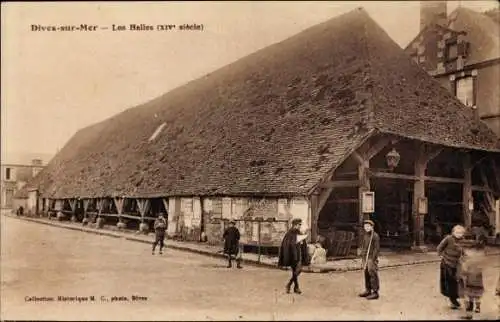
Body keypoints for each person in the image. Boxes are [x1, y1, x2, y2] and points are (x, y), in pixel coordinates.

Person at [278, 218, 310, 294]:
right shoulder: (289, 234)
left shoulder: (299, 233)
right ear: (295, 225)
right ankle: (295, 287)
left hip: (299, 255)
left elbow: (302, 243)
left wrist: (302, 241)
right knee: (296, 271)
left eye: (300, 225)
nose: (300, 226)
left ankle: (290, 285)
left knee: (297, 270)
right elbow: (287, 245)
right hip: (292, 255)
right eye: (299, 225)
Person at [437, 224, 466, 309]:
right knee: (449, 282)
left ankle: (453, 299)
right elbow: (440, 247)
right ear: (453, 232)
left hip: (456, 264)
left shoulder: (463, 241)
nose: (459, 234)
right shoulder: (448, 238)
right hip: (446, 263)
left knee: (456, 281)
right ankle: (452, 300)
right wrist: (441, 254)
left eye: (461, 233)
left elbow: (464, 251)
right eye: (457, 232)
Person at [457, 241, 487, 320]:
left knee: (469, 297)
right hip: (478, 281)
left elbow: (465, 269)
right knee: (477, 295)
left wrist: (462, 262)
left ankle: (469, 315)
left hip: (470, 280)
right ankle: (477, 307)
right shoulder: (481, 257)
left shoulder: (470, 258)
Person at [358, 219, 381, 300]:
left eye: (368, 226)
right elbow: (364, 247)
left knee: (372, 274)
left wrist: (373, 259)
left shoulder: (375, 236)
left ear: (372, 227)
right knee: (366, 273)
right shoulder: (365, 236)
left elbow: (376, 248)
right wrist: (362, 257)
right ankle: (368, 290)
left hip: (371, 258)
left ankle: (375, 292)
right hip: (366, 258)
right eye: (365, 226)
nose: (366, 228)